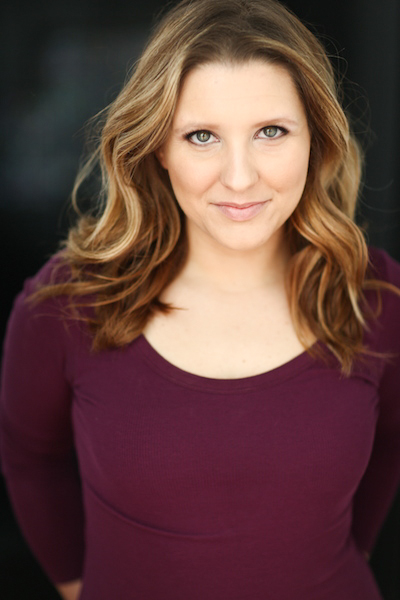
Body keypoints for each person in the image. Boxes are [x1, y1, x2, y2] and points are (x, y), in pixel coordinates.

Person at [1, 0, 400, 598]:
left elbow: (390, 444)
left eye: (271, 132)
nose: (239, 178)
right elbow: (31, 459)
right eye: (202, 136)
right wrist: (84, 587)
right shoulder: (66, 305)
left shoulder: (375, 295)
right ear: (159, 147)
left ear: (315, 139)